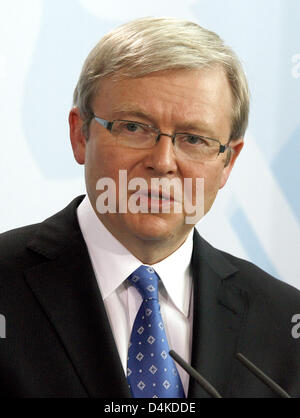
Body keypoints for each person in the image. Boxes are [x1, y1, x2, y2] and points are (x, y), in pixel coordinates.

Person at [0, 17, 300, 399]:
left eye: (194, 139)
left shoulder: (284, 323)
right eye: (133, 128)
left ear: (228, 162)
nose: (163, 162)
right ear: (80, 134)